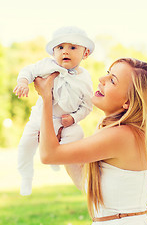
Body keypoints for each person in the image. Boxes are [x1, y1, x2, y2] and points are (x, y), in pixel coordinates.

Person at [34, 58, 147, 225]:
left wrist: (47, 97)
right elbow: (84, 182)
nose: (101, 80)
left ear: (127, 102)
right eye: (107, 74)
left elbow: (48, 155)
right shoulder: (124, 133)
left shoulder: (122, 135)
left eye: (112, 80)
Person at [13, 26, 95, 196]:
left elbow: (87, 105)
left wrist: (73, 118)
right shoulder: (46, 65)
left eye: (72, 47)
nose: (65, 52)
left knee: (76, 136)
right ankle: (26, 177)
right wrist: (22, 82)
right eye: (60, 47)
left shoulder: (85, 78)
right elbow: (28, 70)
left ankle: (59, 158)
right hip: (40, 118)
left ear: (85, 53)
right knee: (25, 147)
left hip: (65, 122)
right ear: (53, 51)